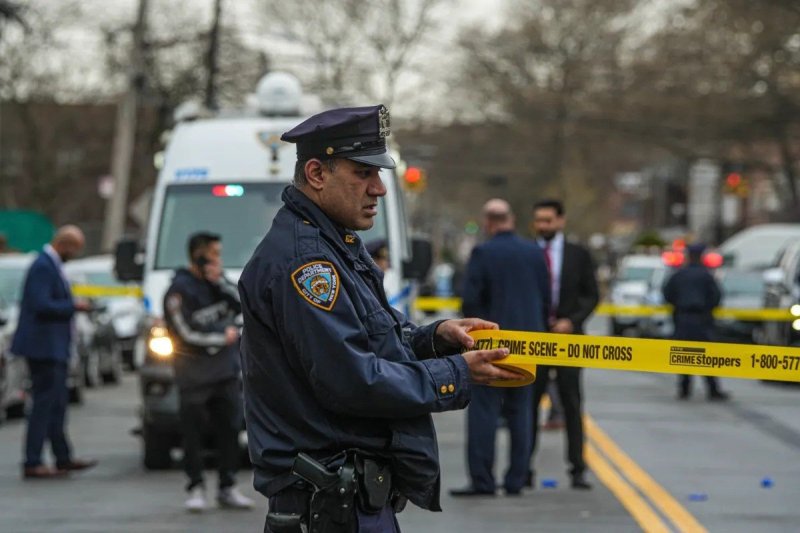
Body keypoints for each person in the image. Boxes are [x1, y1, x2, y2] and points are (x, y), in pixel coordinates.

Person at [238, 104, 521, 533]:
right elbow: (353, 380)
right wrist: (457, 373)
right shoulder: (307, 262)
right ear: (316, 174)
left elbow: (372, 337)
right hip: (330, 503)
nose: (379, 189)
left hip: (349, 499)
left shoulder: (335, 244)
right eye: (363, 174)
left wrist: (436, 338)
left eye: (379, 174)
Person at [451, 199, 550, 497]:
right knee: (522, 411)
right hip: (529, 343)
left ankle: (483, 480)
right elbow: (546, 298)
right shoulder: (535, 253)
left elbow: (470, 299)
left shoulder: (483, 252)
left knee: (484, 411)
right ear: (512, 219)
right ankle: (516, 479)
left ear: (488, 222)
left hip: (491, 343)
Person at [163, 232, 254, 512]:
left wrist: (219, 282)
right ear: (199, 256)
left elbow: (244, 308)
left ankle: (227, 486)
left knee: (229, 428)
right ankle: (195, 486)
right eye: (214, 254)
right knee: (194, 434)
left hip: (225, 373)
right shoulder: (179, 291)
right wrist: (220, 339)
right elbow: (183, 333)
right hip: (194, 376)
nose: (219, 260)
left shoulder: (219, 285)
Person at [11, 225, 97, 479]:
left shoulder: (50, 265)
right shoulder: (43, 266)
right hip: (43, 348)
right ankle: (33, 460)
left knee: (58, 405)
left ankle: (63, 457)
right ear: (65, 244)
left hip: (53, 347)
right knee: (43, 405)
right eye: (75, 250)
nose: (75, 255)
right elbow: (41, 303)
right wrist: (73, 306)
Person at [528, 199, 599, 490]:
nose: (543, 225)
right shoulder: (528, 253)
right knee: (528, 405)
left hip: (569, 339)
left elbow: (591, 295)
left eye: (548, 220)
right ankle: (523, 468)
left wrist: (572, 320)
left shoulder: (578, 255)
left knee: (572, 403)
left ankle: (577, 468)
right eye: (538, 220)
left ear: (560, 221)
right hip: (535, 340)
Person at [662, 243, 729, 401]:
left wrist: (678, 307)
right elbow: (717, 296)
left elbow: (667, 294)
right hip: (702, 319)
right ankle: (712, 389)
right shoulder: (706, 276)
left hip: (683, 318)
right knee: (706, 355)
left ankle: (684, 388)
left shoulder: (679, 275)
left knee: (684, 354)